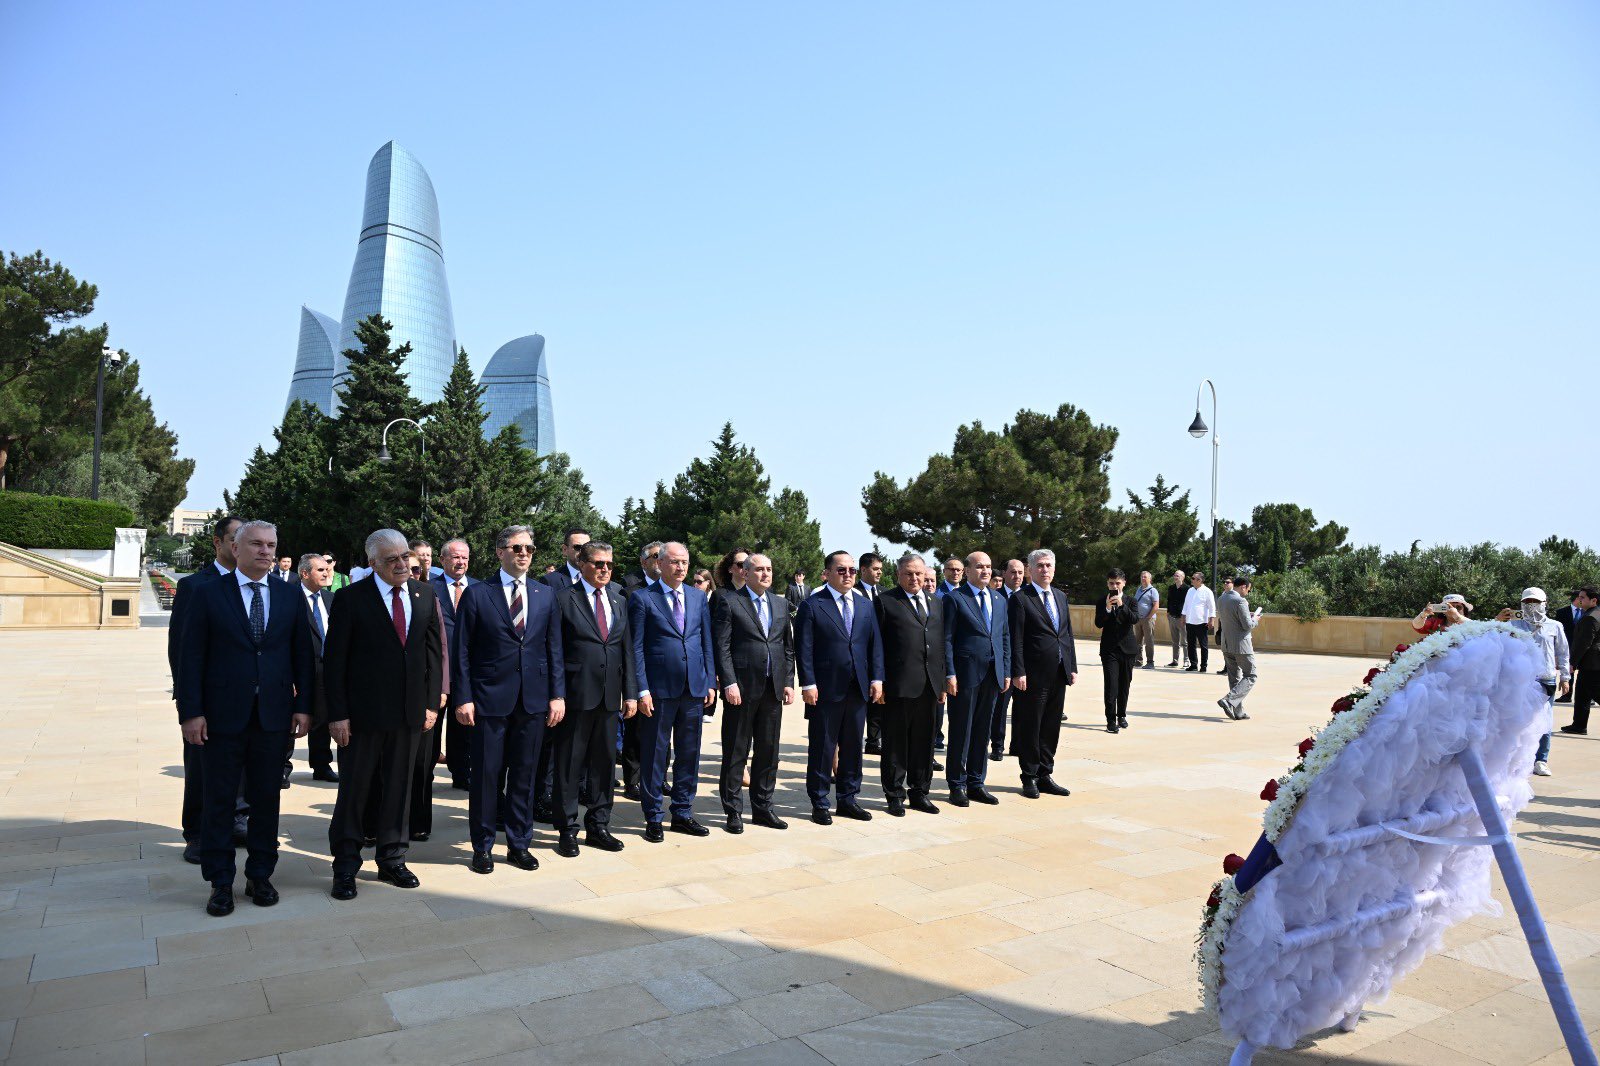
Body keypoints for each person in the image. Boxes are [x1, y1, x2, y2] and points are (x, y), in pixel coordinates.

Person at [176, 521, 313, 916]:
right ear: (235, 549)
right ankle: (220, 882)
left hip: (273, 717)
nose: (265, 551)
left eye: (271, 545)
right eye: (256, 544)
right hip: (221, 718)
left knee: (266, 800)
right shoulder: (207, 593)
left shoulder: (289, 595)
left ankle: (260, 875)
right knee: (219, 801)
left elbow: (302, 655)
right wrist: (191, 712)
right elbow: (190, 657)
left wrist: (304, 706)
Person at [323, 530, 443, 899]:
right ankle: (346, 865)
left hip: (409, 714)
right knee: (355, 791)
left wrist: (430, 703)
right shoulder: (350, 598)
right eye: (392, 559)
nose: (402, 564)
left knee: (399, 788)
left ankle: (392, 858)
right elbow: (334, 661)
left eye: (405, 556)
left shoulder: (424, 594)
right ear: (373, 563)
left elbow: (433, 653)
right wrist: (337, 714)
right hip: (362, 717)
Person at [453, 525, 566, 875]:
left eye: (529, 549)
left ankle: (519, 844)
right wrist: (464, 697)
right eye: (517, 548)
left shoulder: (545, 594)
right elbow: (462, 651)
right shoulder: (478, 593)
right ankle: (483, 847)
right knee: (486, 777)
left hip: (533, 701)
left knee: (524, 776)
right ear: (500, 551)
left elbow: (554, 648)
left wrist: (557, 694)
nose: (524, 554)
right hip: (489, 700)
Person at [169, 515, 248, 863]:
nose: (241, 546)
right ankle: (198, 833)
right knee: (202, 767)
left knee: (243, 766)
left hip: (250, 697)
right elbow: (181, 649)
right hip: (208, 699)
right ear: (218, 542)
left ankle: (237, 820)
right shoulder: (195, 586)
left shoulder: (261, 585)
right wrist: (190, 705)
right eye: (235, 539)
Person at [551, 541, 635, 856]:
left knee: (604, 765)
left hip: (610, 697)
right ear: (582, 564)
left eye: (609, 565)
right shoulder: (563, 599)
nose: (605, 569)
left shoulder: (619, 600)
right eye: (599, 563)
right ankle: (567, 829)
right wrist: (556, 694)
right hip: (576, 695)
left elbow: (626, 649)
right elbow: (554, 650)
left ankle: (599, 826)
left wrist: (630, 693)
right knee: (569, 765)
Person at [630, 542, 716, 841]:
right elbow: (636, 648)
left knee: (689, 753)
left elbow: (706, 641)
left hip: (693, 688)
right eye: (675, 562)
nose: (681, 567)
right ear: (661, 564)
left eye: (685, 562)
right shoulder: (643, 598)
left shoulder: (697, 597)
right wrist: (641, 689)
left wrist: (709, 681)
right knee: (655, 754)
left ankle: (682, 811)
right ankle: (653, 815)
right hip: (658, 690)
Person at [795, 550, 884, 823]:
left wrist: (877, 678)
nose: (848, 575)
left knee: (853, 746)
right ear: (827, 573)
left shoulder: (865, 605)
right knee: (823, 746)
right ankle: (820, 801)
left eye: (852, 570)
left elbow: (875, 645)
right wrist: (808, 683)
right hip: (825, 688)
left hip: (858, 687)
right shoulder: (813, 605)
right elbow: (804, 648)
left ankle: (848, 799)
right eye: (841, 570)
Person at [712, 552, 795, 832]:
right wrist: (729, 682)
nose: (765, 574)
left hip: (773, 689)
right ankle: (733, 810)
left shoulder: (780, 604)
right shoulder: (729, 601)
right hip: (742, 689)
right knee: (736, 751)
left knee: (768, 751)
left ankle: (763, 807)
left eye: (769, 569)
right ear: (745, 573)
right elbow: (722, 646)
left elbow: (787, 647)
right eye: (759, 569)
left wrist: (788, 681)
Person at [875, 555, 946, 816]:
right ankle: (894, 794)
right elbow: (877, 645)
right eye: (908, 573)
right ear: (898, 575)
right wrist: (879, 680)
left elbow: (939, 643)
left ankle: (920, 792)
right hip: (899, 685)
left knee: (924, 742)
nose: (914, 578)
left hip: (930, 684)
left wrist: (942, 680)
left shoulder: (936, 602)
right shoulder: (885, 602)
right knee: (895, 743)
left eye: (919, 573)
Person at [1007, 548, 1076, 799]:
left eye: (1048, 565)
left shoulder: (1060, 596)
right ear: (1030, 570)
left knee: (1051, 725)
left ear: (1054, 569)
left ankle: (1046, 773)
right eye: (1040, 566)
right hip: (1031, 675)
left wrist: (1072, 666)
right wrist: (1018, 671)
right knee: (1031, 725)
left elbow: (1066, 634)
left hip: (1058, 672)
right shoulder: (1020, 599)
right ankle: (1029, 776)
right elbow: (1015, 638)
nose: (1045, 570)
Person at [943, 551, 1009, 804]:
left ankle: (976, 782)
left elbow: (1004, 637)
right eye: (980, 567)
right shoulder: (955, 598)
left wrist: (1006, 670)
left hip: (993, 674)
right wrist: (950, 673)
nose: (986, 571)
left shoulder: (998, 599)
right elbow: (947, 639)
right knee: (962, 730)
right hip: (965, 674)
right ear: (967, 571)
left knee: (983, 730)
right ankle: (957, 784)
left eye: (989, 567)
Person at [1495, 588, 1570, 777]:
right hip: (1520, 678)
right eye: (1527, 602)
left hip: (1545, 678)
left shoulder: (1555, 626)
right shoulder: (1513, 624)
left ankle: (1541, 760)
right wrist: (1498, 621)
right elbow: (1495, 640)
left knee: (1544, 719)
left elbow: (1562, 652)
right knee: (1517, 719)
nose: (1531, 606)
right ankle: (1516, 760)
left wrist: (1565, 677)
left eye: (1535, 602)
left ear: (1544, 603)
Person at [288, 552, 338, 785]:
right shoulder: (290, 597)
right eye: (320, 570)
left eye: (327, 569)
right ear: (304, 573)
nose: (327, 573)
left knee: (323, 718)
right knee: (291, 718)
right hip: (298, 668)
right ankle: (282, 767)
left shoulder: (331, 599)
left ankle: (321, 765)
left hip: (326, 668)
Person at [431, 539, 476, 791]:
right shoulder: (428, 588)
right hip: (437, 669)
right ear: (442, 560)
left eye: (465, 558)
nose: (461, 562)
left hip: (468, 671)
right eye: (456, 557)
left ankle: (461, 772)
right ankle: (426, 771)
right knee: (432, 724)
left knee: (464, 726)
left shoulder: (480, 589)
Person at [1093, 568, 1139, 733]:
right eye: (1111, 583)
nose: (1114, 586)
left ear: (1124, 583)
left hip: (1128, 649)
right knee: (1111, 685)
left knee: (1124, 685)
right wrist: (1107, 608)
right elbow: (1098, 623)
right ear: (1107, 584)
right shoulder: (1101, 601)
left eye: (1117, 583)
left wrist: (1121, 605)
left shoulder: (1131, 601)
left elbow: (1134, 619)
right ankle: (1111, 720)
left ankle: (1122, 715)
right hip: (1109, 650)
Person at [989, 559, 1026, 760]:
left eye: (1020, 572)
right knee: (1000, 707)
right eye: (1013, 572)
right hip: (1003, 661)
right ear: (1004, 574)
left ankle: (1018, 745)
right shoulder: (995, 597)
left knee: (1022, 707)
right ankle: (997, 745)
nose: (1017, 576)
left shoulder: (1029, 596)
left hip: (1024, 663)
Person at [1217, 575, 1261, 721]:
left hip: (1226, 644)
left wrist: (1247, 616)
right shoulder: (1241, 601)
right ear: (1243, 587)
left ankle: (1238, 712)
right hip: (1241, 645)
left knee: (1234, 678)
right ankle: (1229, 700)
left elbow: (1232, 618)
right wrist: (1255, 620)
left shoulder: (1222, 598)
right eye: (1248, 589)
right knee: (1251, 675)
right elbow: (1247, 625)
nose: (1248, 592)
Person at [1562, 586, 1600, 736]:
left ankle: (1579, 725)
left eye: (1583, 597)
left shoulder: (1590, 617)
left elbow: (1583, 643)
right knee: (1582, 694)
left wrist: (1572, 662)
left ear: (1593, 600)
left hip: (1592, 663)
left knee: (1595, 693)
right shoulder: (1595, 613)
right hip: (1591, 662)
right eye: (1579, 597)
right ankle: (1579, 725)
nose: (1579, 599)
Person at [1182, 572, 1217, 672]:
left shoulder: (1207, 591)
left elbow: (1212, 607)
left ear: (1199, 580)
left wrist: (1211, 620)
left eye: (1193, 578)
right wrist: (1183, 616)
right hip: (1190, 621)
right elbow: (1186, 604)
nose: (1191, 580)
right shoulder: (1190, 590)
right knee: (1191, 644)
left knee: (1203, 645)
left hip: (1202, 622)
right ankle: (1193, 665)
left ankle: (1203, 666)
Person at [1555, 591, 1584, 704]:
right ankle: (1566, 696)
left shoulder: (1588, 612)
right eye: (1581, 598)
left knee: (1585, 672)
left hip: (1583, 647)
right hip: (1567, 646)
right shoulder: (1561, 612)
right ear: (1576, 599)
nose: (1583, 600)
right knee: (1568, 670)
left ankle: (1588, 696)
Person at [1131, 571, 1159, 670]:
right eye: (1142, 577)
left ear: (1150, 579)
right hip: (1138, 619)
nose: (1143, 578)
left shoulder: (1153, 590)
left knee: (1149, 641)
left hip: (1148, 619)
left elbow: (1156, 606)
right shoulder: (1139, 589)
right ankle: (1138, 661)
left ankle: (1150, 662)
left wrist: (1149, 617)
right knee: (1137, 641)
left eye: (1145, 577)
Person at [1165, 570, 1188, 668]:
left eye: (1177, 575)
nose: (1175, 577)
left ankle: (1186, 661)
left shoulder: (1187, 589)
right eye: (1174, 575)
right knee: (1175, 641)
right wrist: (1168, 612)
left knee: (1185, 641)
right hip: (1172, 617)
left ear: (1182, 577)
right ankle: (1175, 661)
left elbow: (1188, 604)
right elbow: (1169, 600)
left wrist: (1185, 616)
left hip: (1182, 618)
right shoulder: (1171, 588)